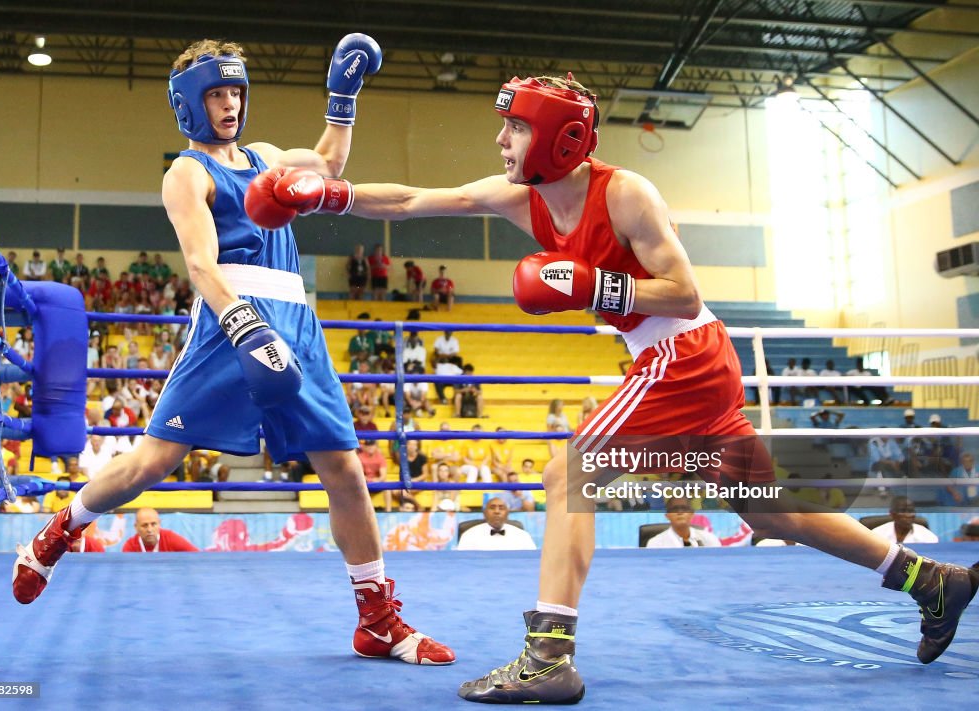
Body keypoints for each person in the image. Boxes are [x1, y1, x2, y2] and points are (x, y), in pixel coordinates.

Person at [247, 73, 977, 701]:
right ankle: (928, 579)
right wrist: (326, 196)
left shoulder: (626, 193)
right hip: (681, 362)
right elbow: (410, 201)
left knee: (572, 470)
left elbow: (685, 293)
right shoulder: (517, 196)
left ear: (558, 136)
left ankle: (548, 656)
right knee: (773, 514)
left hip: (682, 353)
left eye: (514, 127)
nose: (501, 141)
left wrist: (595, 281)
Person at [12, 35, 453, 667]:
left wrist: (343, 98)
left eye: (236, 92)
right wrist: (246, 326)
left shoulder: (268, 156)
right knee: (151, 465)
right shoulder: (186, 173)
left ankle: (378, 620)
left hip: (296, 318)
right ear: (190, 104)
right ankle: (63, 527)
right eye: (216, 94)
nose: (229, 105)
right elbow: (200, 264)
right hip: (229, 321)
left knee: (345, 471)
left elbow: (327, 165)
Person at [457, 497, 537, 551]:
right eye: (492, 507)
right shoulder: (469, 535)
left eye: (501, 508)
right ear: (484, 513)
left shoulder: (522, 535)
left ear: (507, 513)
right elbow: (461, 563)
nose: (497, 511)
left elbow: (532, 561)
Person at [645, 497, 721, 548]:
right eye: (675, 509)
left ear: (691, 514)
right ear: (667, 516)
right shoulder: (655, 543)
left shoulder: (709, 539)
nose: (680, 512)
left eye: (684, 508)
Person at [121, 507, 199, 552]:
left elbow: (196, 555)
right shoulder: (130, 546)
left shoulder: (170, 538)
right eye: (145, 525)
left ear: (159, 524)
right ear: (136, 527)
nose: (149, 529)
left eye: (153, 524)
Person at [871, 497, 939, 545]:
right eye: (902, 511)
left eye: (911, 511)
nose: (908, 515)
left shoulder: (928, 536)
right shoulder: (877, 534)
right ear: (892, 513)